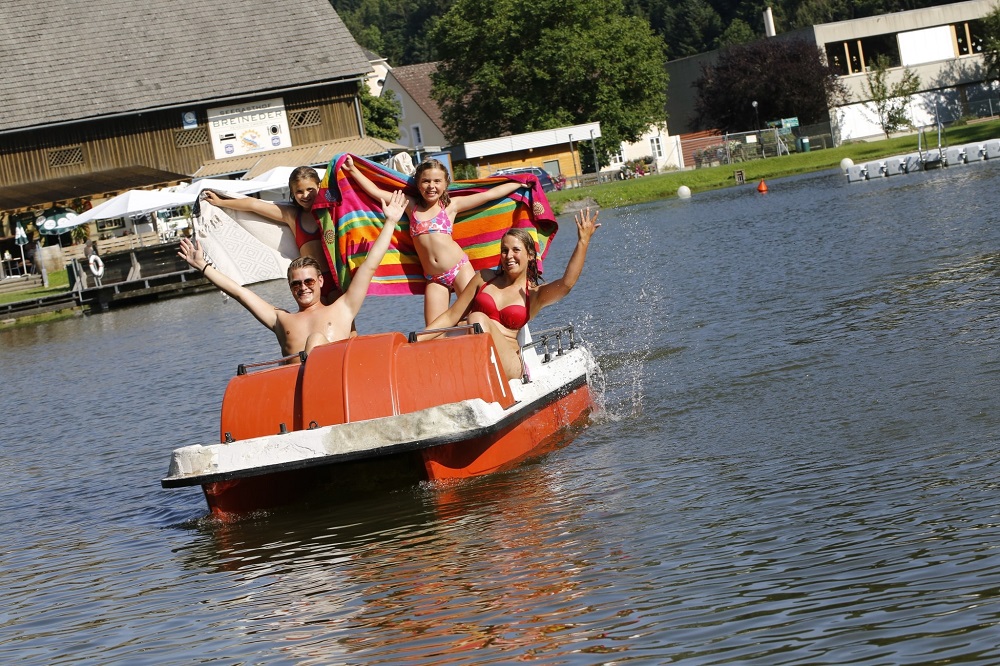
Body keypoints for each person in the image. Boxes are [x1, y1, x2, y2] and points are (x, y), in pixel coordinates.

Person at [178, 191, 406, 357]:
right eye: (296, 284)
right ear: (290, 287)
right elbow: (239, 292)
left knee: (316, 340)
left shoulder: (343, 307)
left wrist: (391, 222)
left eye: (308, 281)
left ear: (320, 281)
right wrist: (203, 266)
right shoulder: (281, 320)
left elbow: (369, 266)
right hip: (300, 385)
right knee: (314, 341)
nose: (303, 287)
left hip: (336, 379)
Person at [341, 155, 524, 325]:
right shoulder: (410, 205)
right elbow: (375, 192)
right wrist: (352, 170)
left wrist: (520, 182)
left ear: (445, 184)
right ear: (418, 184)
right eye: (426, 181)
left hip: (459, 269)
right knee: (435, 329)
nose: (431, 186)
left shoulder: (450, 206)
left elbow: (488, 195)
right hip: (434, 278)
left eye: (437, 181)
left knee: (478, 317)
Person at [424, 207, 601, 380]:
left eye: (516, 250)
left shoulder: (534, 295)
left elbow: (566, 284)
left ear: (530, 255)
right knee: (465, 327)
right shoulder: (484, 278)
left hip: (510, 364)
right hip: (475, 358)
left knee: (476, 318)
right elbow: (451, 316)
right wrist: (415, 339)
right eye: (504, 250)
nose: (509, 255)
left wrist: (583, 242)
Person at [201, 166, 339, 303]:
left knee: (343, 317)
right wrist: (221, 202)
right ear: (292, 192)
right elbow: (253, 205)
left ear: (319, 186)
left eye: (310, 189)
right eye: (299, 191)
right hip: (309, 283)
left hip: (336, 277)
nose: (305, 195)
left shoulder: (331, 212)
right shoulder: (292, 216)